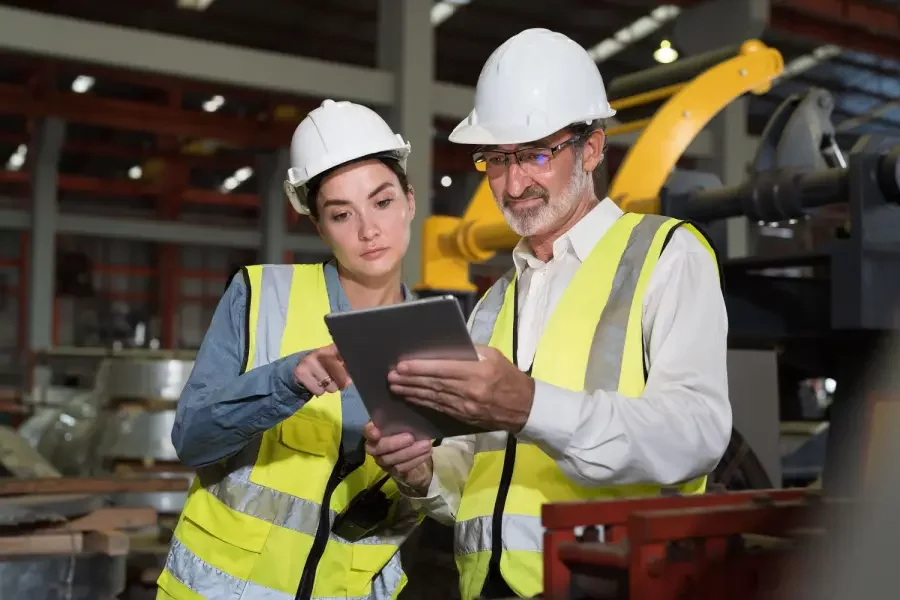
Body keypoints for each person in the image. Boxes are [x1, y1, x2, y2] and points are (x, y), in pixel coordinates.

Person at [364, 28, 732, 600]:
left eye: (537, 154)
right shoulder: (493, 303)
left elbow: (699, 433)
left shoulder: (666, 256)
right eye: (496, 159)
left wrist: (531, 406)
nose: (514, 184)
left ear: (592, 149)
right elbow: (480, 482)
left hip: (607, 582)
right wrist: (422, 471)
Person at [156, 99, 422, 600]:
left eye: (382, 202)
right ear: (319, 225)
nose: (368, 230)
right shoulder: (261, 296)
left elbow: (449, 495)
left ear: (409, 201)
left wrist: (421, 476)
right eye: (341, 214)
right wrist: (287, 380)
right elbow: (192, 439)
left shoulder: (435, 336)